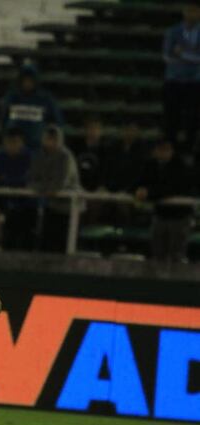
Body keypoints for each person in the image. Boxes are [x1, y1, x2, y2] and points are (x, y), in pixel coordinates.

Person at [135, 139, 196, 264]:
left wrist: (149, 193)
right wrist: (138, 190)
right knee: (158, 252)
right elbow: (141, 181)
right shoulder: (151, 164)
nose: (163, 152)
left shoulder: (180, 165)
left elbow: (172, 188)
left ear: (171, 151)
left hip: (179, 216)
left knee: (176, 255)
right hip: (160, 214)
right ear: (155, 151)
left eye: (166, 149)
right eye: (160, 149)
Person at [28, 125, 81, 252]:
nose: (51, 142)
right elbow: (32, 179)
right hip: (49, 205)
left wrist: (44, 189)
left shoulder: (65, 156)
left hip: (67, 207)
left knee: (62, 243)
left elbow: (59, 185)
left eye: (54, 139)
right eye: (48, 139)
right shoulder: (39, 155)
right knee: (46, 241)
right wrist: (44, 189)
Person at [162, 1, 200, 158]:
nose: (192, 14)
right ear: (184, 12)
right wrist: (192, 56)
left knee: (193, 119)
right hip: (174, 81)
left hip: (195, 81)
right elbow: (166, 56)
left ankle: (188, 151)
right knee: (172, 118)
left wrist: (182, 54)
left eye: (195, 11)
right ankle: (170, 151)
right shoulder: (172, 32)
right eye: (189, 10)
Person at [0, 128, 35, 250]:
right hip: (4, 203)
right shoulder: (0, 156)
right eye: (9, 142)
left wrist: (5, 181)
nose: (12, 145)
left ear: (21, 142)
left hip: (25, 205)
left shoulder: (29, 157)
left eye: (15, 142)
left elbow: (28, 182)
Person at [0, 64, 64, 150]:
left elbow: (56, 122)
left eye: (30, 80)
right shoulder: (12, 97)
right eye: (25, 80)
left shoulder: (45, 99)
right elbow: (4, 120)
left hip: (37, 146)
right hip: (15, 147)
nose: (27, 83)